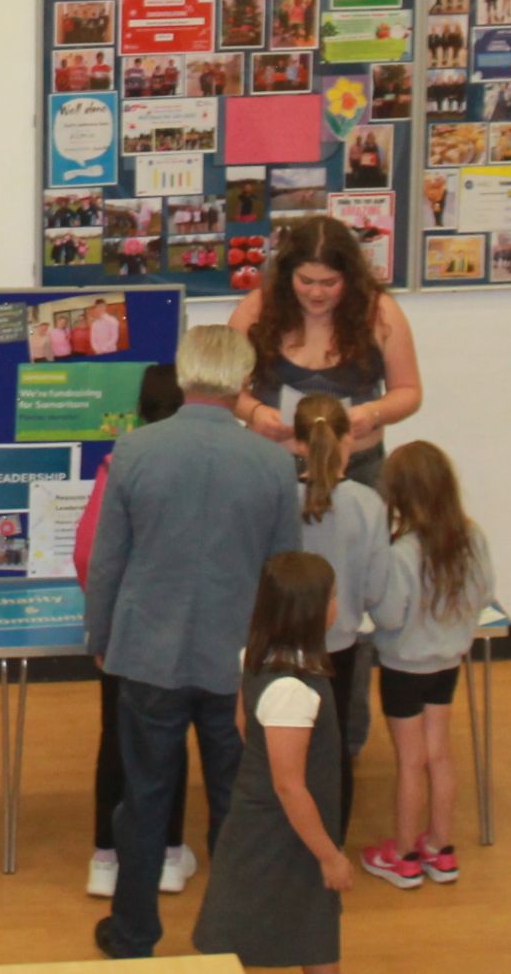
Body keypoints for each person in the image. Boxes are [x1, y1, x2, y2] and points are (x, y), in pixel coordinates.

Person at [84, 326, 304, 960]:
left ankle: (133, 935)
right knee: (238, 802)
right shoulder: (269, 462)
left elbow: (108, 564)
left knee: (144, 798)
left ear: (183, 377)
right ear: (243, 383)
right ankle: (232, 935)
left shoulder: (134, 451)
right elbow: (286, 569)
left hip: (148, 654)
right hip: (238, 659)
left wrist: (102, 638)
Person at [191, 551, 350, 974]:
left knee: (313, 936)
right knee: (242, 940)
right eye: (334, 596)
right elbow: (289, 786)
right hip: (282, 832)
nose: (339, 603)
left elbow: (243, 722)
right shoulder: (292, 689)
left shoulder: (257, 656)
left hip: (284, 824)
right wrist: (330, 856)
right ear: (313, 612)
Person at [72, 364, 193, 898]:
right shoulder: (205, 462)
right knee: (173, 743)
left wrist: (101, 628)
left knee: (116, 741)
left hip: (126, 631)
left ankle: (106, 857)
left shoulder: (119, 461)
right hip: (186, 630)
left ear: (141, 408)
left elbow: (89, 555)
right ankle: (167, 854)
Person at [361, 440, 496, 892]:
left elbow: (390, 615)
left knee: (410, 761)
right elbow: (482, 594)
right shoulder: (472, 536)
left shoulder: (402, 551)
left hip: (404, 667)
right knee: (439, 752)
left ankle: (402, 855)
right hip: (448, 661)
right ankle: (440, 847)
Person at [230, 216, 425, 487]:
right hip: (270, 464)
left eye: (330, 282)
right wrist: (255, 412)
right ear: (288, 275)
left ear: (350, 277)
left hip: (357, 469)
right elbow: (226, 389)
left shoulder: (379, 312)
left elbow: (408, 391)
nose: (317, 293)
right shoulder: (256, 310)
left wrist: (373, 413)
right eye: (306, 281)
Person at [292, 396, 392, 846]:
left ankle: (288, 844)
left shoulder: (278, 498)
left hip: (282, 650)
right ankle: (332, 843)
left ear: (296, 443)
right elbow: (375, 591)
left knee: (286, 753)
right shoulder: (368, 503)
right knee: (331, 755)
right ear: (350, 441)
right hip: (341, 649)